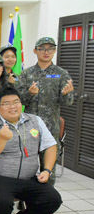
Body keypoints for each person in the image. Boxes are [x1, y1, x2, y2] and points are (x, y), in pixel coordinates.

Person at [19, 37, 74, 186]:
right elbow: (19, 101)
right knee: (26, 165)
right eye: (42, 48)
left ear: (54, 51)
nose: (46, 52)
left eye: (50, 49)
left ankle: (46, 202)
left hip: (51, 128)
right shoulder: (27, 74)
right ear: (35, 51)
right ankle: (25, 198)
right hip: (30, 127)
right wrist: (30, 94)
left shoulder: (61, 73)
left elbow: (68, 102)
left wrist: (66, 94)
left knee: (49, 167)